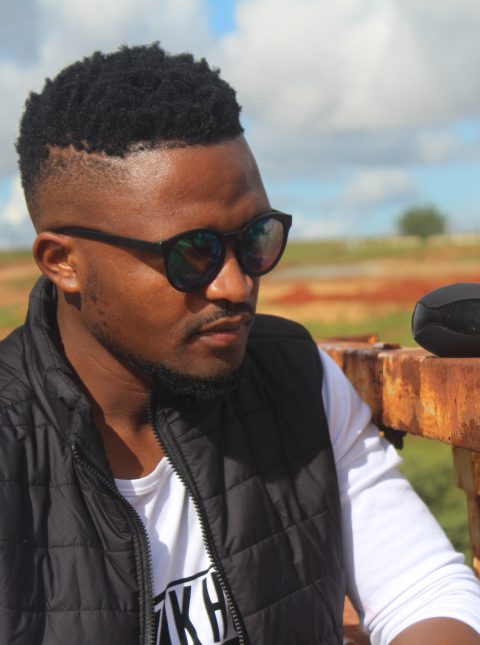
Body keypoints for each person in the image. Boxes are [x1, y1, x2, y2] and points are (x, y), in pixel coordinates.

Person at [1, 43, 479, 645]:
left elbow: (421, 588)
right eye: (190, 254)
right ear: (62, 262)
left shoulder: (293, 375)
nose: (236, 285)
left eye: (255, 238)